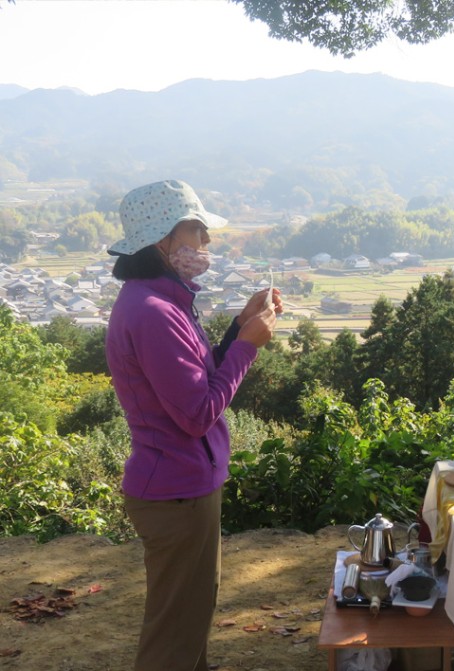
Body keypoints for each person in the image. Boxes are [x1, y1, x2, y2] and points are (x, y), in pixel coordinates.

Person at [105, 179, 281, 671]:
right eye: (196, 229)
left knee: (189, 616)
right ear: (163, 241)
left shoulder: (163, 302)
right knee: (173, 634)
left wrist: (238, 328)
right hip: (175, 491)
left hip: (184, 485)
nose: (205, 242)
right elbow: (197, 413)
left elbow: (197, 380)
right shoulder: (154, 312)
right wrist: (248, 345)